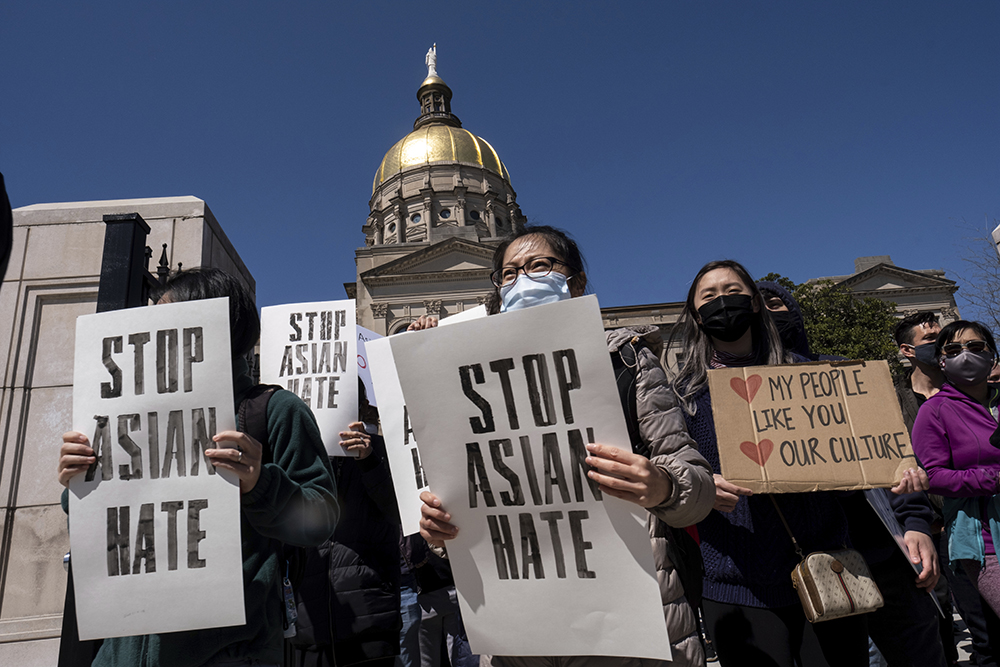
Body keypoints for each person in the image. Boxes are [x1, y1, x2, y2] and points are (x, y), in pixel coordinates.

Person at [418, 224, 716, 666]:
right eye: (509, 273)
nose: (523, 280)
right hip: (519, 631)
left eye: (539, 266)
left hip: (627, 620)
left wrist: (662, 486)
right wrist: (441, 530)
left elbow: (697, 486)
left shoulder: (626, 360)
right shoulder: (467, 382)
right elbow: (464, 495)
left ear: (574, 282)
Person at [57, 267, 340, 667]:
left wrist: (259, 483)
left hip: (228, 655)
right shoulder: (121, 414)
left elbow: (320, 520)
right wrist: (77, 484)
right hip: (121, 651)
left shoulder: (274, 410)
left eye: (163, 318)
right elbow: (102, 528)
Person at [669, 260, 868, 667]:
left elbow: (855, 470)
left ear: (756, 304)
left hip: (829, 569)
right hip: (737, 585)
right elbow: (669, 474)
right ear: (694, 313)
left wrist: (890, 471)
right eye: (709, 296)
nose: (722, 302)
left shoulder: (813, 379)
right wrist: (704, 486)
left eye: (733, 291)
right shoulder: (682, 398)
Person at [757, 286, 945, 666]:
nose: (766, 314)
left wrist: (916, 524)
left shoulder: (845, 373)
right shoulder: (745, 396)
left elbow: (893, 457)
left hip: (886, 555)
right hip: (814, 570)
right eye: (755, 307)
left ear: (794, 311)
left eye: (775, 304)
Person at [290, 381, 402, 667]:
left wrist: (369, 461)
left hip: (369, 622)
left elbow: (397, 512)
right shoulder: (300, 460)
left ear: (362, 408)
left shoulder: (383, 452)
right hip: (309, 627)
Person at [912, 320, 1000, 622]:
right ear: (942, 360)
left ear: (992, 356)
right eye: (953, 349)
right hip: (986, 541)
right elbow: (932, 477)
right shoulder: (934, 411)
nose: (966, 354)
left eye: (975, 347)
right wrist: (994, 479)